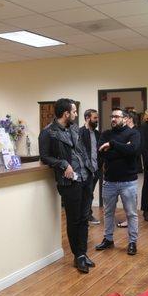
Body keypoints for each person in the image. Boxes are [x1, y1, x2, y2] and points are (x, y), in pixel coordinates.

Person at [39, 98, 94, 274]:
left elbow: (82, 151)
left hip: (86, 178)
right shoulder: (48, 133)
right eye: (74, 112)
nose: (77, 115)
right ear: (66, 114)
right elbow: (44, 157)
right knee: (74, 219)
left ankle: (83, 253)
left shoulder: (75, 128)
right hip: (69, 182)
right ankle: (77, 256)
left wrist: (92, 170)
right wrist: (63, 164)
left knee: (85, 218)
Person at [95, 108, 142, 256]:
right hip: (109, 181)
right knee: (108, 213)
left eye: (117, 116)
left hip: (128, 182)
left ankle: (132, 242)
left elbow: (133, 150)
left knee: (131, 214)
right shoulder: (105, 134)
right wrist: (124, 148)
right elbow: (103, 154)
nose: (113, 119)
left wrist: (113, 145)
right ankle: (108, 239)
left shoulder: (133, 133)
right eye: (112, 116)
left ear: (125, 118)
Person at [79, 109, 101, 225]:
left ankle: (87, 214)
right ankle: (85, 216)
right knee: (86, 194)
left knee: (90, 193)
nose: (97, 120)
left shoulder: (97, 134)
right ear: (88, 118)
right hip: (85, 170)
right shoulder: (80, 132)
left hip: (96, 169)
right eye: (95, 118)